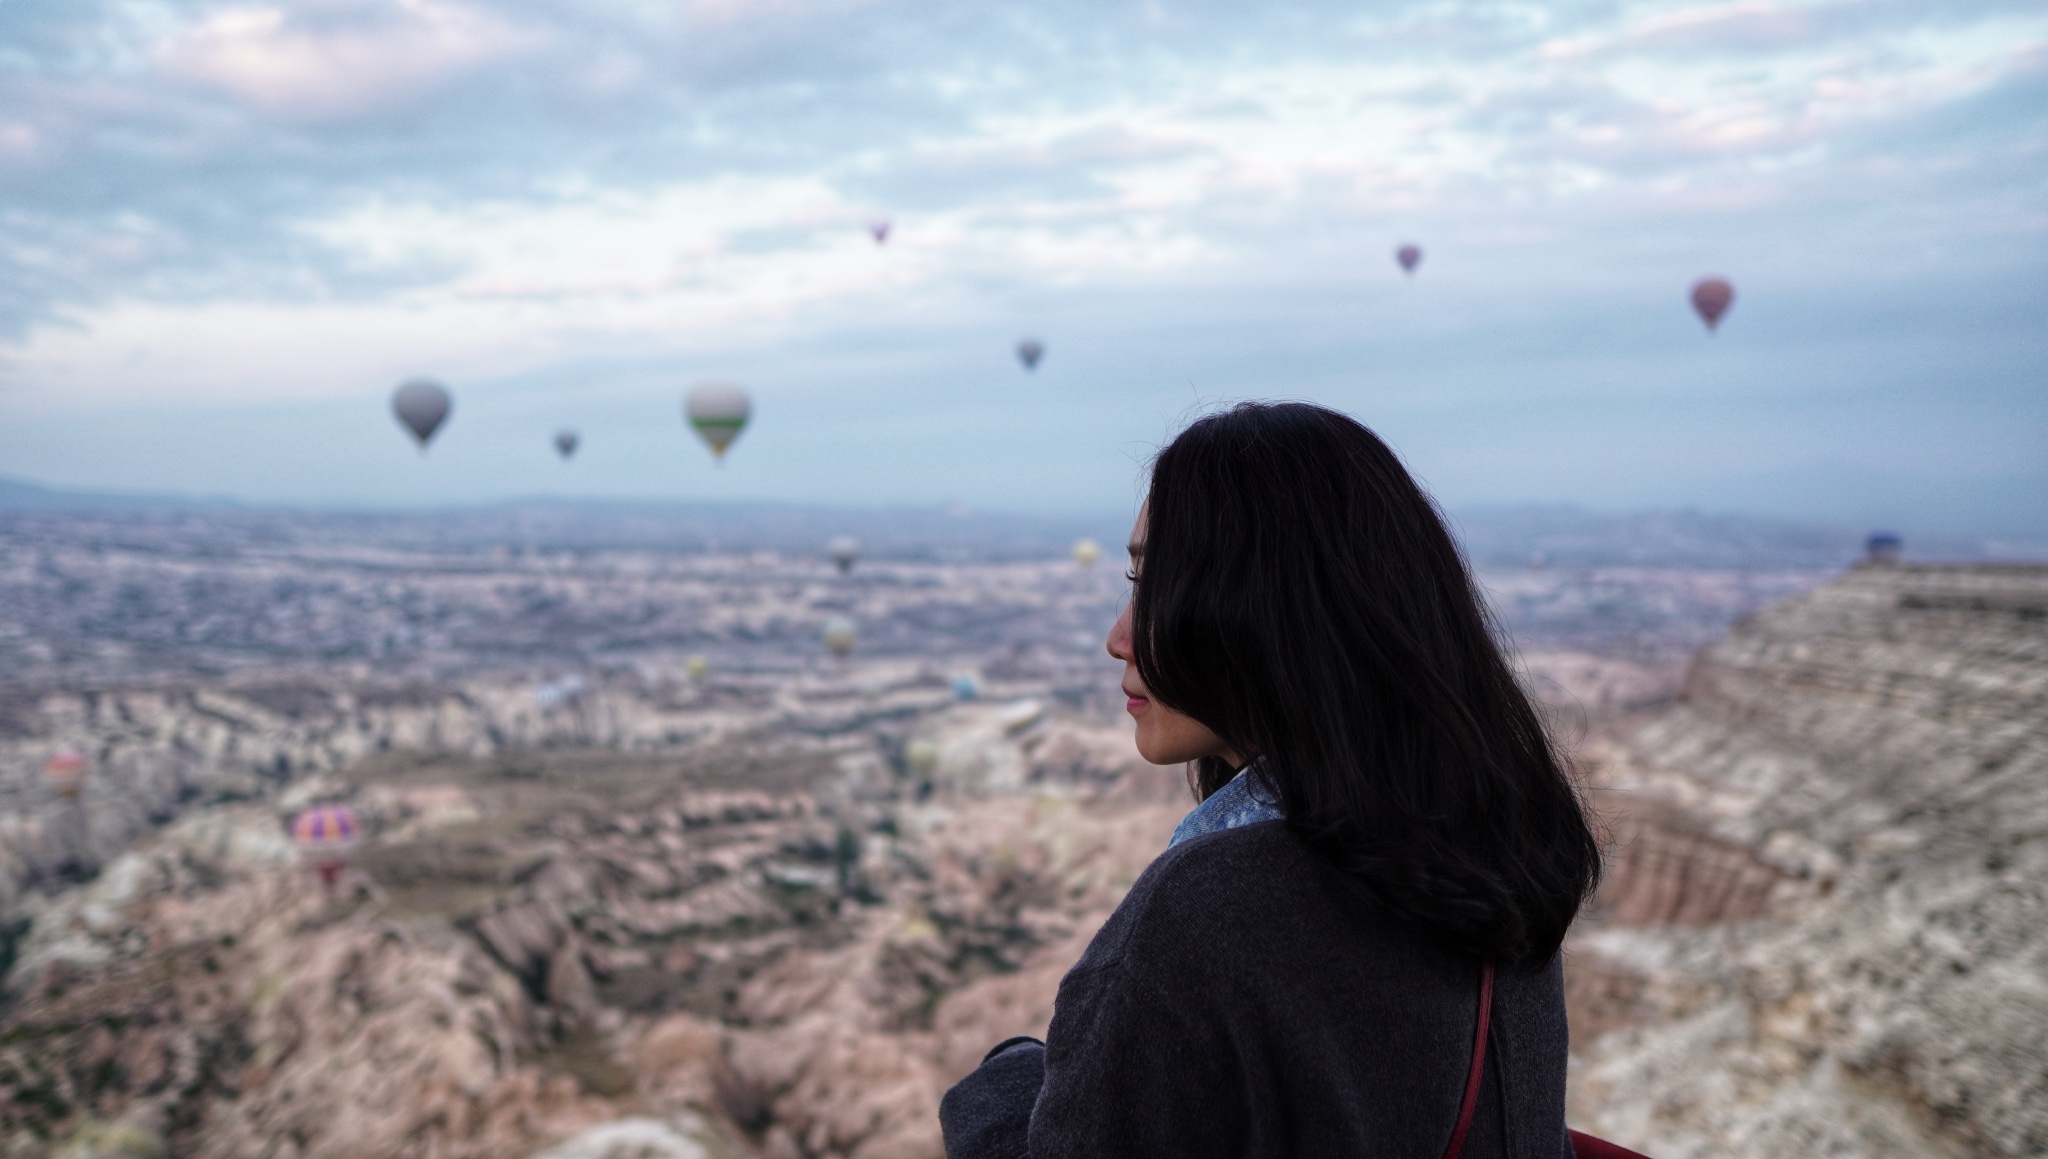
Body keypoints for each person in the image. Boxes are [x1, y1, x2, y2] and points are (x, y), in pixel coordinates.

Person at [939, 402, 1602, 1158]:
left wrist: (1000, 1085)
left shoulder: (1215, 907)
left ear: (1267, 607)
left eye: (1156, 582)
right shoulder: (1499, 851)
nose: (1118, 635)